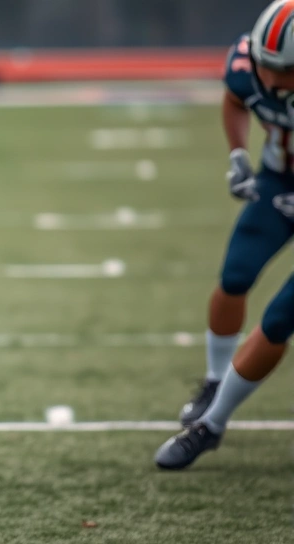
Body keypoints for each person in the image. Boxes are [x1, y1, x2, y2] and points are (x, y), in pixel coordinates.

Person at [156, 0, 294, 469]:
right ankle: (216, 379)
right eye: (266, 64)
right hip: (278, 182)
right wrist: (238, 153)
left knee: (278, 319)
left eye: (285, 69)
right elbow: (238, 97)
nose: (271, 80)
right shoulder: (247, 67)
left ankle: (210, 425)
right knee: (235, 275)